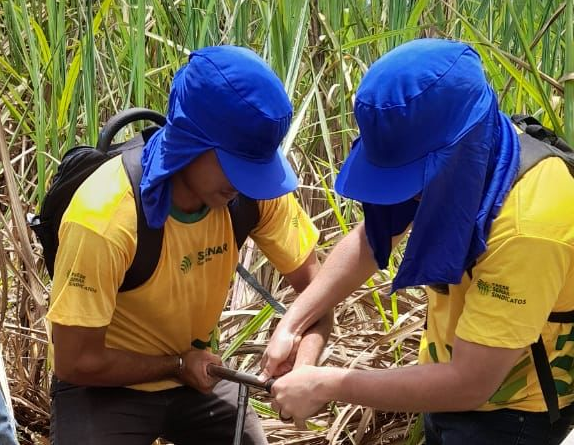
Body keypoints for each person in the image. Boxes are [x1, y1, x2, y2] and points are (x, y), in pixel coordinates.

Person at [259, 38, 574, 444]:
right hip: (444, 384)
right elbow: (374, 238)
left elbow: (470, 382)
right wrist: (294, 321)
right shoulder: (475, 151)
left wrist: (327, 384)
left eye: (412, 179)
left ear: (457, 152)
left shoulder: (530, 224)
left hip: (512, 417)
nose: (409, 196)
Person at [47, 45, 331, 445]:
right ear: (189, 142)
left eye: (255, 169)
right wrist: (177, 365)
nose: (244, 183)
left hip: (199, 374)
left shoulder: (254, 193)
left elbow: (319, 293)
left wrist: (305, 365)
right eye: (235, 166)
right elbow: (77, 361)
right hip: (105, 381)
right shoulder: (105, 218)